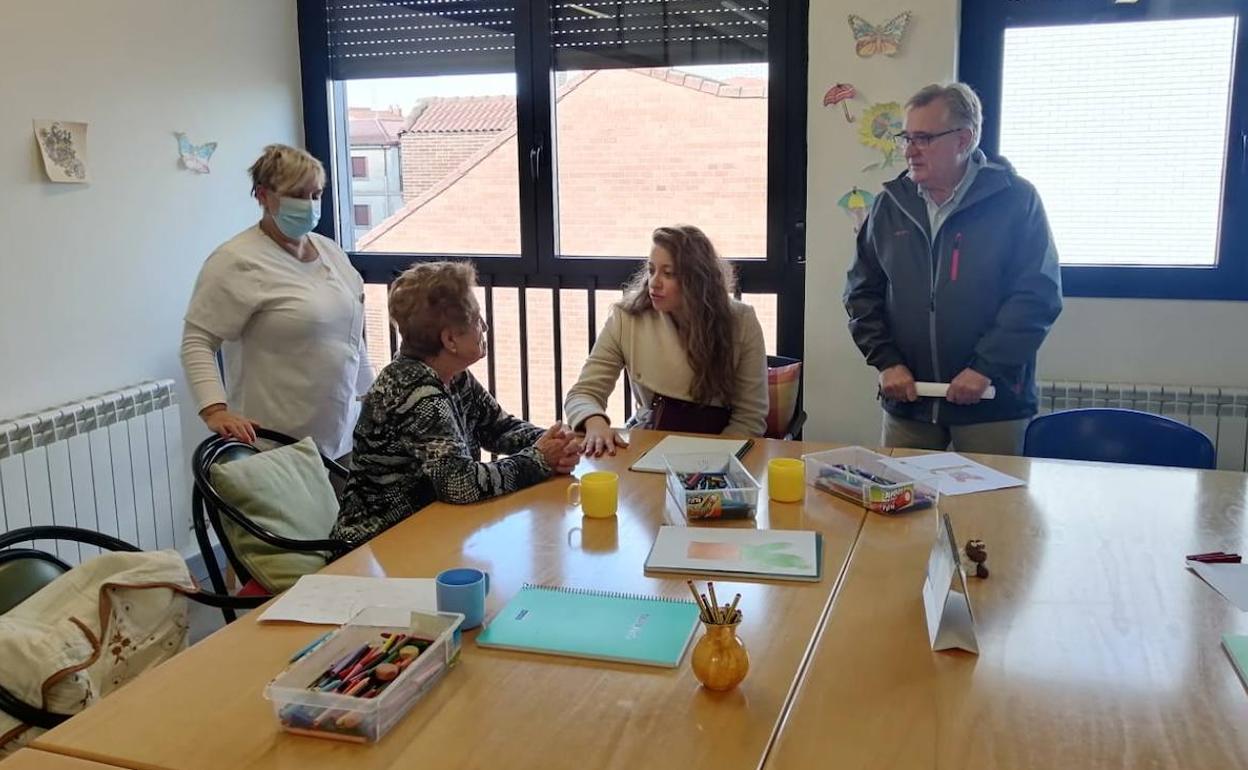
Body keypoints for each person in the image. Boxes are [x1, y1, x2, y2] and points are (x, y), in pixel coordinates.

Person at [844, 83, 1063, 455]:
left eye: (924, 139)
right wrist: (887, 362)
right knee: (901, 506)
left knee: (989, 512)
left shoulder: (1016, 201)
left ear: (964, 139)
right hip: (908, 400)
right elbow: (861, 293)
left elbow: (1036, 296)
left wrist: (984, 369)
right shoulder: (889, 206)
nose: (910, 150)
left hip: (991, 401)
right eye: (906, 138)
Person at [331, 261, 580, 545]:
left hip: (428, 531)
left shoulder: (452, 375)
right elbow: (460, 484)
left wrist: (555, 442)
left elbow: (497, 428)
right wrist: (539, 459)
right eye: (476, 320)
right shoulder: (416, 393)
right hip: (378, 544)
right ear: (450, 339)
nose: (484, 326)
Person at [181, 144, 371, 461]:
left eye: (315, 194)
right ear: (262, 195)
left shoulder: (330, 252)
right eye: (297, 193)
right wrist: (215, 411)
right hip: (275, 445)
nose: (309, 204)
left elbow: (350, 334)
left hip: (340, 437)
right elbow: (197, 340)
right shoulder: (237, 260)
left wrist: (369, 395)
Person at [565, 225, 769, 457]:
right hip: (647, 445)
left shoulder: (741, 321)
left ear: (697, 280)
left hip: (719, 451)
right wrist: (595, 422)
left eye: (668, 273)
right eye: (651, 270)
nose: (654, 282)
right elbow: (583, 394)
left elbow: (750, 416)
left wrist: (713, 462)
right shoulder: (627, 318)